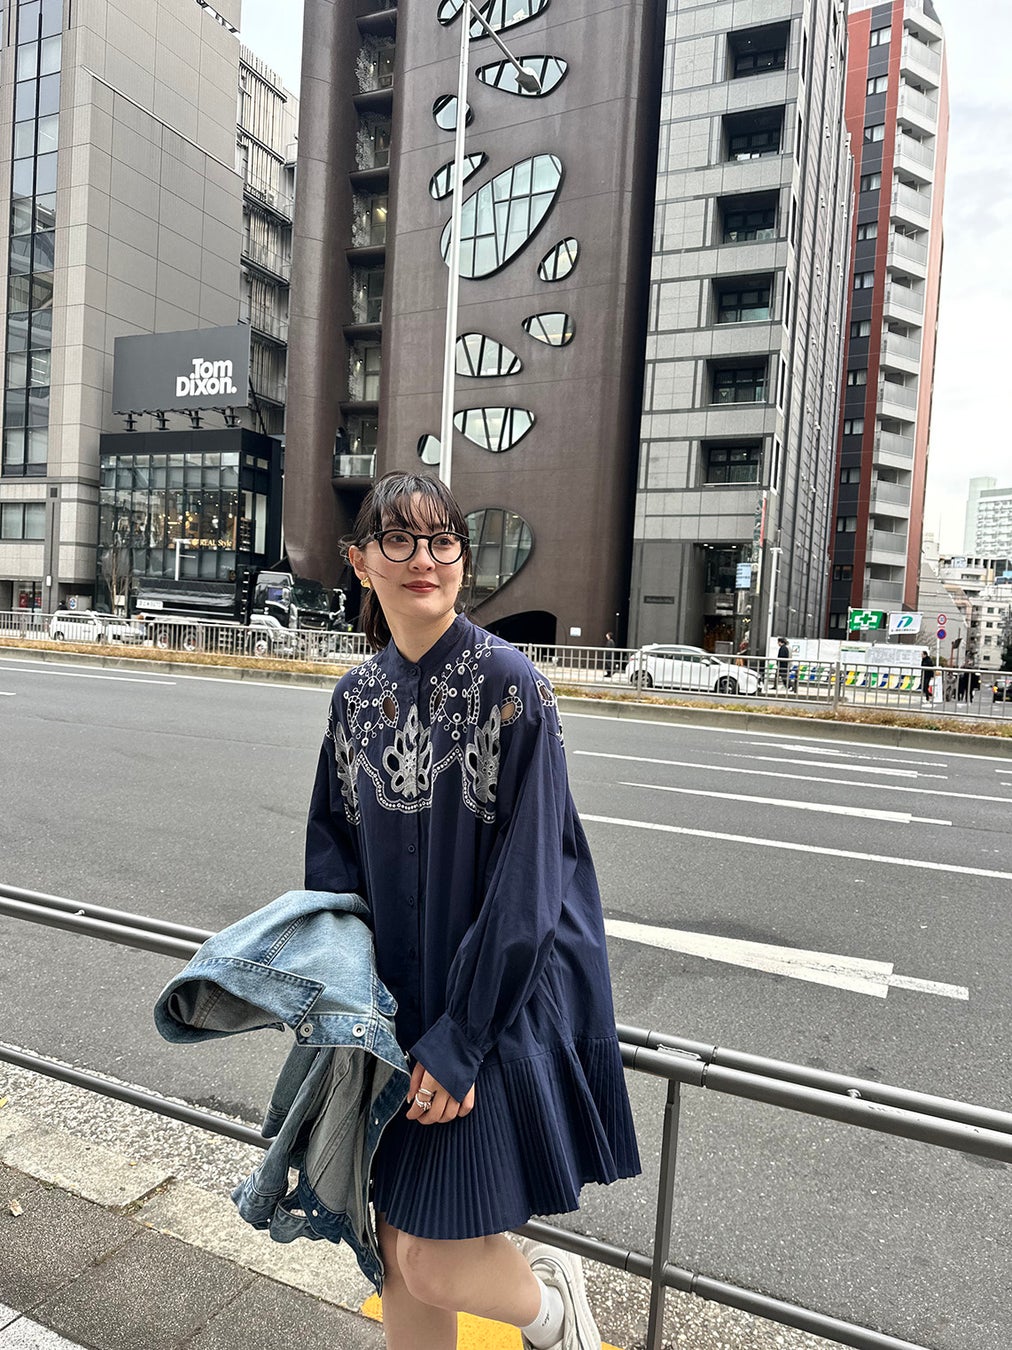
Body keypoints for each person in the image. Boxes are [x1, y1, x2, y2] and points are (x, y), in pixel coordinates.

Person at [305, 472, 640, 1350]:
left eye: (443, 540)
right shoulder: (354, 698)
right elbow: (332, 863)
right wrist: (348, 1004)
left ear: (463, 557)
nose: (425, 559)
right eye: (399, 540)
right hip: (397, 1014)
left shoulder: (510, 684)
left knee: (433, 1258)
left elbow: (533, 878)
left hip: (495, 1002)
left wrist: (462, 1036)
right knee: (395, 1250)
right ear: (361, 561)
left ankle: (553, 1311)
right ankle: (543, 1298)